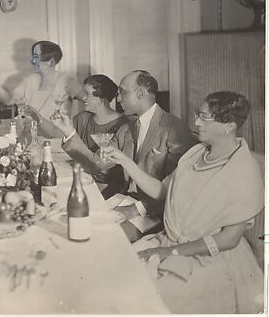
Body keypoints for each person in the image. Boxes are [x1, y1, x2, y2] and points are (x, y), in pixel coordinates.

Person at [101, 91, 263, 314]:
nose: (196, 122)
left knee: (137, 299)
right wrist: (125, 162)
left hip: (209, 258)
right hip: (168, 242)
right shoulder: (196, 154)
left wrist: (168, 253)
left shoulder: (244, 169)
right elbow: (161, 191)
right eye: (198, 114)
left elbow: (228, 239)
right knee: (108, 269)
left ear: (229, 125)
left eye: (204, 117)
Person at [52, 70, 194, 242]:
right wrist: (69, 132)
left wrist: (138, 208)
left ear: (140, 93)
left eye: (123, 92)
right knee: (76, 225)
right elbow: (97, 163)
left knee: (101, 238)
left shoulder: (174, 129)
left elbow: (178, 187)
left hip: (155, 211)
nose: (118, 98)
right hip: (123, 198)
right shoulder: (127, 128)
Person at [30, 74, 128, 177]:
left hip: (107, 184)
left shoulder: (123, 124)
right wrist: (38, 117)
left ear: (102, 98)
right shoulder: (83, 118)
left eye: (87, 94)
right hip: (84, 175)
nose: (84, 98)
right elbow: (58, 133)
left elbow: (99, 164)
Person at [0, 40, 82, 137]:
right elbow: (8, 101)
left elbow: (89, 99)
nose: (32, 61)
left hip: (56, 138)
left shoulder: (66, 80)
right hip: (30, 136)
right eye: (33, 56)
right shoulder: (30, 80)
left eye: (36, 57)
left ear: (51, 61)